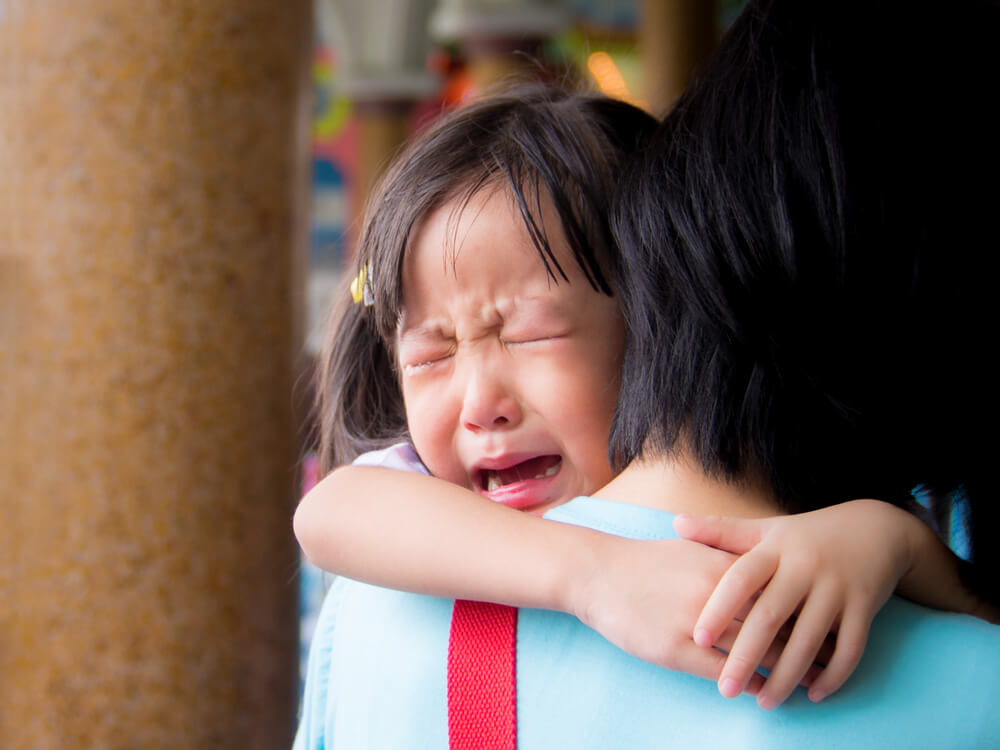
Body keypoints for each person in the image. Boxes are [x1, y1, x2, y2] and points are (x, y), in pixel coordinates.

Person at [294, 67, 997, 750]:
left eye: (532, 334)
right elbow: (331, 511)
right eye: (431, 356)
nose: (480, 404)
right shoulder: (425, 516)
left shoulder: (369, 631)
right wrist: (595, 574)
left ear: (657, 323)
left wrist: (893, 540)